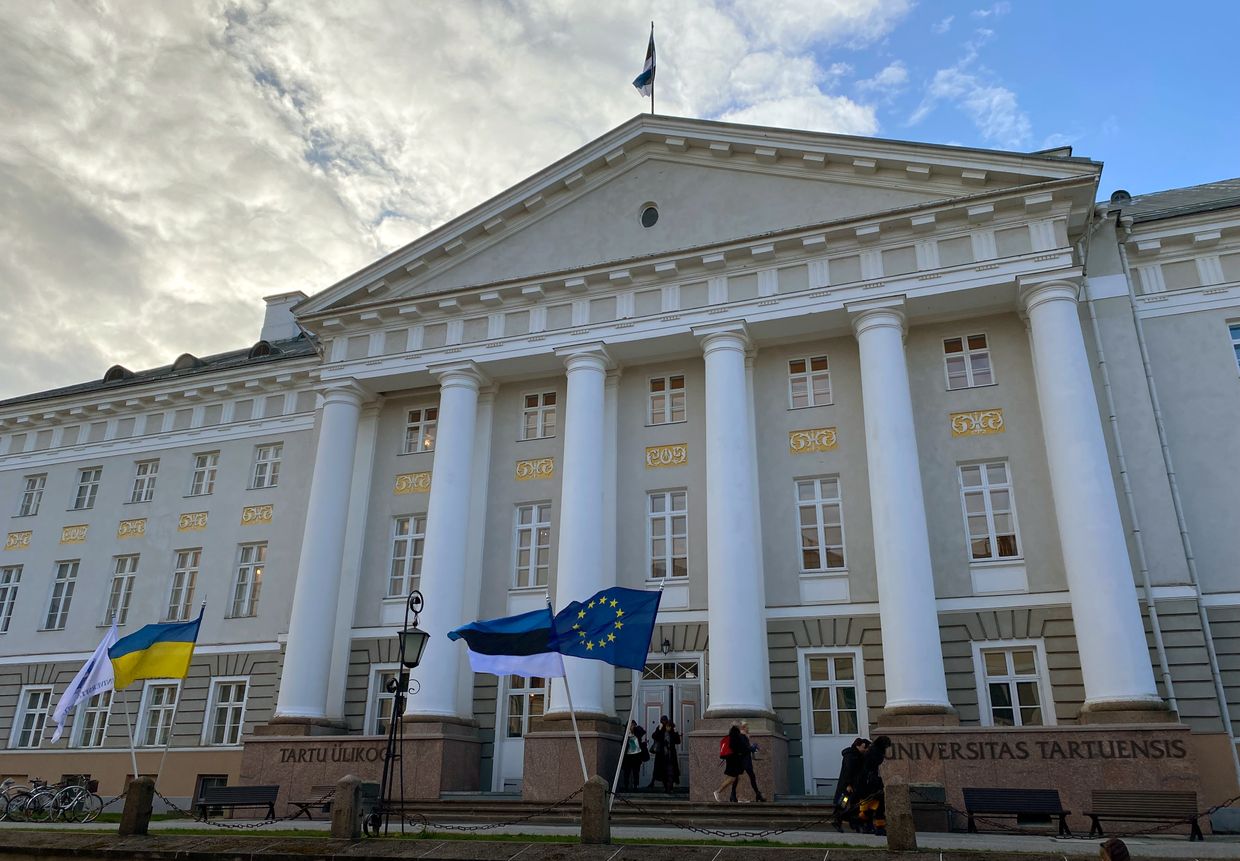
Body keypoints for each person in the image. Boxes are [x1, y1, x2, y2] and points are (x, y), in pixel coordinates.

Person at [831, 737, 870, 832]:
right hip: (847, 787)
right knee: (842, 803)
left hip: (855, 786)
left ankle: (854, 823)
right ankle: (838, 821)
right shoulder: (851, 756)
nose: (866, 750)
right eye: (864, 747)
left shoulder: (858, 756)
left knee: (854, 805)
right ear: (858, 746)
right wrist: (848, 784)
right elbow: (848, 771)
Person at [856, 735, 892, 836]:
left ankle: (865, 824)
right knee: (878, 806)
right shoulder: (875, 753)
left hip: (869, 782)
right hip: (871, 783)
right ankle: (877, 827)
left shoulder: (872, 751)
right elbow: (871, 769)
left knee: (872, 806)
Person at [728, 720, 766, 802]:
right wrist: (753, 747)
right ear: (743, 727)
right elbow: (745, 748)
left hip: (742, 759)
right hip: (744, 760)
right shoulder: (742, 736)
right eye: (747, 726)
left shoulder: (742, 735)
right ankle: (757, 794)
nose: (748, 728)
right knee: (751, 776)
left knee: (738, 777)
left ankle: (733, 795)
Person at [713, 724, 747, 802]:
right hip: (734, 760)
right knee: (732, 778)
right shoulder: (735, 738)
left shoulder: (729, 737)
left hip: (730, 759)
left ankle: (739, 797)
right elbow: (739, 748)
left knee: (736, 778)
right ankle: (718, 791)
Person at [648, 715, 681, 792]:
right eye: (666, 726)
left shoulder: (672, 732)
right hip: (662, 756)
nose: (667, 727)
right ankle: (667, 787)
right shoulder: (660, 730)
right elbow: (654, 736)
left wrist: (676, 732)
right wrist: (659, 729)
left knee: (671, 772)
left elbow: (678, 741)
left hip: (671, 756)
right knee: (663, 772)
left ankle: (670, 787)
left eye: (669, 726)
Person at [620, 719, 646, 791]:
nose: (631, 727)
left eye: (633, 725)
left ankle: (635, 785)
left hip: (636, 755)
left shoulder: (637, 733)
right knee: (627, 772)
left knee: (636, 772)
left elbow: (643, 732)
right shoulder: (626, 735)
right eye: (630, 725)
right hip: (628, 755)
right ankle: (626, 786)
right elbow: (623, 744)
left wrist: (635, 728)